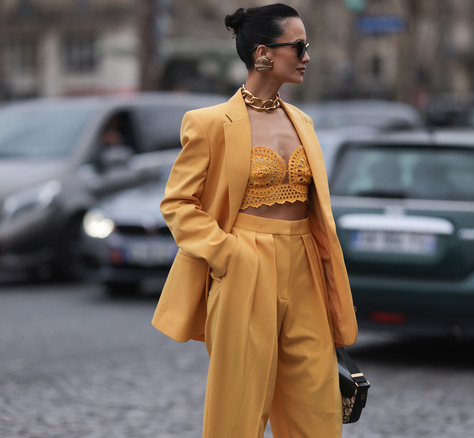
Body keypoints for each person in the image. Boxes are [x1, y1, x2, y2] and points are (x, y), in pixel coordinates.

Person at [151, 4, 357, 437]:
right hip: (244, 263)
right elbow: (178, 203)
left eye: (307, 47)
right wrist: (228, 254)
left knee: (317, 404)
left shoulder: (303, 122)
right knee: (239, 405)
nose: (306, 57)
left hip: (304, 268)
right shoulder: (209, 124)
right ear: (263, 54)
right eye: (298, 47)